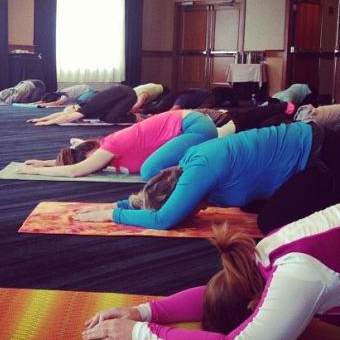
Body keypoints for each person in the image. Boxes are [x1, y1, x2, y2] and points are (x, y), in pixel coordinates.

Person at [82, 204, 340, 340]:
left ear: (256, 308)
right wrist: (142, 312)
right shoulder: (263, 255)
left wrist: (137, 333)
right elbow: (214, 294)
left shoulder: (295, 276)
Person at [75, 122, 340, 234]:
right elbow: (154, 200)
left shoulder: (200, 172)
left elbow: (163, 219)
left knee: (270, 221)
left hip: (323, 157)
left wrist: (113, 216)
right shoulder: (185, 166)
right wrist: (121, 205)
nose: (194, 213)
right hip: (308, 147)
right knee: (249, 206)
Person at [18, 109, 217, 179]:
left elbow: (75, 170)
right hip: (191, 128)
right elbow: (79, 164)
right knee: (152, 169)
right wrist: (46, 163)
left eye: (90, 158)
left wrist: (36, 171)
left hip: (195, 126)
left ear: (92, 148)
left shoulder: (111, 145)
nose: (94, 164)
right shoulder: (107, 152)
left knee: (150, 171)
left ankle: (204, 166)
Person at [27, 84, 165, 126]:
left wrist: (47, 123)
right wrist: (41, 118)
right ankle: (131, 115)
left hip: (128, 94)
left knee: (111, 119)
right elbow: (62, 114)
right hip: (120, 94)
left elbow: (67, 117)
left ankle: (137, 117)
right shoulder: (83, 107)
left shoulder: (88, 108)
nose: (75, 118)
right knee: (105, 117)